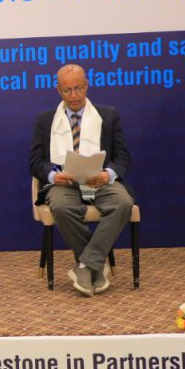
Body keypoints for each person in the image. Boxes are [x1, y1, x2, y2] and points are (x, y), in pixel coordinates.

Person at [29, 64, 133, 296]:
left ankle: (85, 265)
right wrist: (53, 175)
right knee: (62, 207)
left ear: (86, 86)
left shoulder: (108, 115)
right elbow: (35, 162)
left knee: (123, 203)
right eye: (67, 90)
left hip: (99, 181)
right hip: (63, 183)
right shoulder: (45, 120)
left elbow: (123, 158)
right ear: (58, 91)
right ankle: (95, 264)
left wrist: (108, 175)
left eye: (78, 88)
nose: (73, 95)